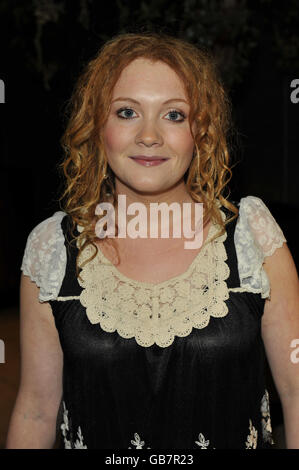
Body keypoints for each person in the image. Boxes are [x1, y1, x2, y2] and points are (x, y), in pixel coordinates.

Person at [6, 32, 299, 450]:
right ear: (96, 126)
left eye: (174, 115)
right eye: (126, 112)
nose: (149, 135)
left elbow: (296, 392)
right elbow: (35, 410)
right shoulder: (52, 250)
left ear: (201, 131)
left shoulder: (252, 237)